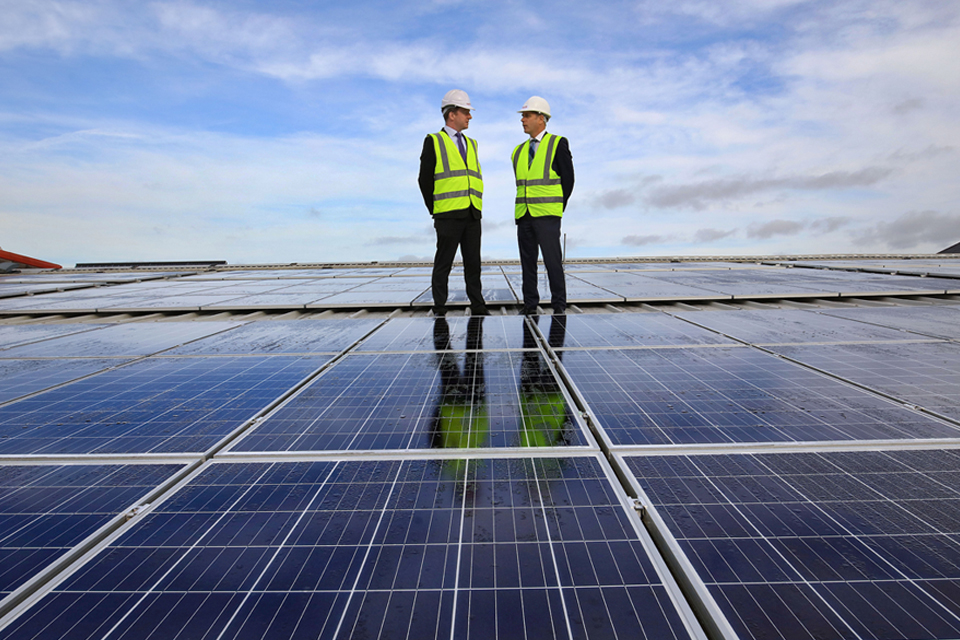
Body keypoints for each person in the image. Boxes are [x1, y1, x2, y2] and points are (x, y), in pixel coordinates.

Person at [419, 89, 489, 317]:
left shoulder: (472, 143)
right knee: (443, 263)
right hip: (447, 215)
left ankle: (478, 306)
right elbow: (424, 180)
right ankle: (439, 307)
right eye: (466, 112)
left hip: (472, 214)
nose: (469, 117)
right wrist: (436, 209)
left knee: (473, 265)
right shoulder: (434, 141)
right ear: (452, 114)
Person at [511, 96, 574, 315]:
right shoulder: (517, 152)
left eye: (527, 116)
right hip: (524, 215)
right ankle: (530, 305)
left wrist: (556, 207)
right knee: (527, 265)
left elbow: (568, 180)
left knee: (552, 263)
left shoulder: (558, 143)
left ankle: (559, 306)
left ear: (541, 118)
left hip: (547, 215)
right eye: (522, 116)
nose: (523, 120)